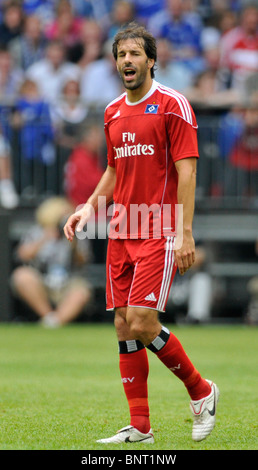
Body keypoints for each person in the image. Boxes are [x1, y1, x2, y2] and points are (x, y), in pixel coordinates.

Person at [64, 22, 219, 444]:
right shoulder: (112, 111)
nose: (126, 61)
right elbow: (114, 168)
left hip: (160, 226)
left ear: (151, 60)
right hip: (122, 228)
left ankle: (201, 392)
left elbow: (188, 171)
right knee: (122, 324)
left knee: (142, 320)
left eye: (134, 54)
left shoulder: (173, 105)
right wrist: (88, 206)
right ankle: (141, 426)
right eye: (120, 55)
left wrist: (185, 232)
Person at [11, 196, 92, 327]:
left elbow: (83, 260)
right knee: (22, 276)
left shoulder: (77, 233)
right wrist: (45, 238)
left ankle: (55, 322)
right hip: (42, 280)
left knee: (81, 292)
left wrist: (73, 243)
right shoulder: (37, 232)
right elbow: (22, 255)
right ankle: (48, 316)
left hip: (68, 281)